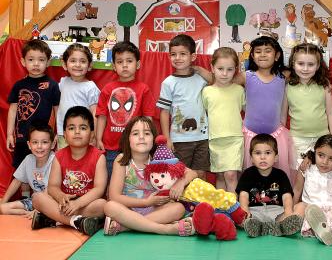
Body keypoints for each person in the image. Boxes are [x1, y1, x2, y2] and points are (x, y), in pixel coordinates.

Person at [196, 36, 296, 184]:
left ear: (277, 55)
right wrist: (199, 70)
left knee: (276, 172)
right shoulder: (246, 76)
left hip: (276, 134)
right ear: (252, 55)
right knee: (247, 175)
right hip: (249, 134)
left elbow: (304, 75)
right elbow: (221, 80)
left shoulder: (284, 76)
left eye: (267, 51)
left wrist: (324, 82)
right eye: (258, 51)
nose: (262, 54)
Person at [103, 117, 196, 236]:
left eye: (147, 133)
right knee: (109, 206)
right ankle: (164, 229)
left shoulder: (160, 160)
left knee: (179, 208)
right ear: (128, 139)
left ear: (154, 139)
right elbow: (114, 196)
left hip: (155, 210)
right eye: (136, 133)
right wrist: (146, 202)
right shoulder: (122, 160)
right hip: (128, 210)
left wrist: (180, 183)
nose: (141, 137)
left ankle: (126, 226)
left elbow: (192, 173)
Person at [31, 106, 107, 236]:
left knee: (103, 205)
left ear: (92, 135)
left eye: (83, 128)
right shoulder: (59, 156)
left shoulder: (99, 157)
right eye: (71, 128)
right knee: (37, 198)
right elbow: (53, 187)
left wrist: (78, 203)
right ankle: (75, 221)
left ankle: (54, 219)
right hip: (64, 204)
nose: (77, 132)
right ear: (65, 135)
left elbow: (99, 189)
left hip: (86, 204)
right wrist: (60, 196)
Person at [96, 41, 156, 181]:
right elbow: (102, 116)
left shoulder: (144, 89)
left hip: (135, 147)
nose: (124, 65)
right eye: (119, 61)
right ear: (114, 66)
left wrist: (148, 138)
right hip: (111, 147)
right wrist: (98, 138)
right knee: (112, 182)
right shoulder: (108, 89)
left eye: (129, 61)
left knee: (134, 182)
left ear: (138, 64)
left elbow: (148, 118)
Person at [157, 34, 209, 181]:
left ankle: (200, 204)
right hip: (179, 139)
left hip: (202, 137)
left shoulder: (201, 78)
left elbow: (215, 81)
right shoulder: (168, 82)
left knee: (200, 174)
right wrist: (167, 138)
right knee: (180, 175)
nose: (177, 58)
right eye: (173, 54)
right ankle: (181, 204)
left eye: (182, 54)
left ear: (193, 56)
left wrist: (199, 69)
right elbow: (164, 111)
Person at [281, 43, 332, 168]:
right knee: (300, 173)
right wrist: (282, 138)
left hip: (322, 138)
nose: (305, 69)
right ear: (293, 63)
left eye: (310, 64)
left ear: (317, 66)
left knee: (319, 173)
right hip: (297, 139)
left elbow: (331, 113)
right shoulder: (287, 86)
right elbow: (283, 115)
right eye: (301, 64)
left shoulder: (325, 85)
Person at [7, 39, 60, 172]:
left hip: (43, 138)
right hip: (22, 136)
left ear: (48, 62)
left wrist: (58, 135)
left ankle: (42, 191)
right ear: (23, 61)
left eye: (41, 60)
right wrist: (9, 134)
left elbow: (57, 110)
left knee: (43, 167)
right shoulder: (19, 85)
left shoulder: (52, 85)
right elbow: (12, 110)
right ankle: (25, 193)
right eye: (31, 59)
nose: (36, 64)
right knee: (22, 167)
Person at [237, 134, 302, 238]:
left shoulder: (281, 175)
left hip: (276, 211)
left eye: (268, 153)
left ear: (276, 157)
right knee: (238, 217)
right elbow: (243, 196)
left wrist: (288, 212)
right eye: (258, 153)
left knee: (298, 209)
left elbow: (287, 197)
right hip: (254, 212)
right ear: (252, 158)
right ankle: (259, 226)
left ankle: (280, 225)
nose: (263, 157)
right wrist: (246, 212)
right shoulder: (247, 174)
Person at [202, 47, 245, 193]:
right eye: (220, 68)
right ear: (212, 68)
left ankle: (234, 209)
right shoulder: (207, 91)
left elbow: (249, 110)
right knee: (220, 175)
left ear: (236, 70)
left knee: (231, 175)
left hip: (234, 138)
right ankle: (221, 208)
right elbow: (204, 114)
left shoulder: (239, 90)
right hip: (214, 139)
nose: (225, 73)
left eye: (230, 69)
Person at [0, 123, 56, 216]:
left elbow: (51, 189)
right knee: (3, 208)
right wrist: (3, 202)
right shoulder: (28, 159)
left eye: (44, 142)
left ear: (53, 144)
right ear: (29, 145)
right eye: (35, 142)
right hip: (34, 202)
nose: (39, 146)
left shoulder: (55, 160)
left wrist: (39, 210)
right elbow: (16, 182)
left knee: (53, 209)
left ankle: (40, 215)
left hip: (52, 201)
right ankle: (29, 214)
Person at [56, 43, 100, 149]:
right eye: (73, 60)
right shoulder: (63, 82)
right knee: (64, 162)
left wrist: (93, 133)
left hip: (83, 135)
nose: (78, 65)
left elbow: (95, 113)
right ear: (64, 64)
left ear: (89, 66)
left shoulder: (90, 87)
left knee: (83, 162)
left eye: (83, 61)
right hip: (64, 134)